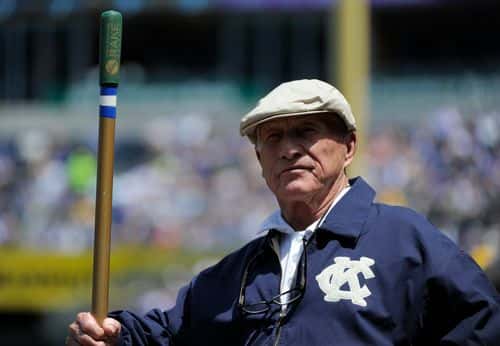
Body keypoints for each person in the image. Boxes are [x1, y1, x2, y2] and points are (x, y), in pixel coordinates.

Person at [67, 79, 500, 345]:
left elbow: (482, 323)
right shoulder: (239, 272)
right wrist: (115, 337)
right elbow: (167, 335)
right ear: (259, 160)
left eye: (306, 131)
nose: (289, 148)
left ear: (348, 146)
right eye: (272, 138)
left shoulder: (403, 239)